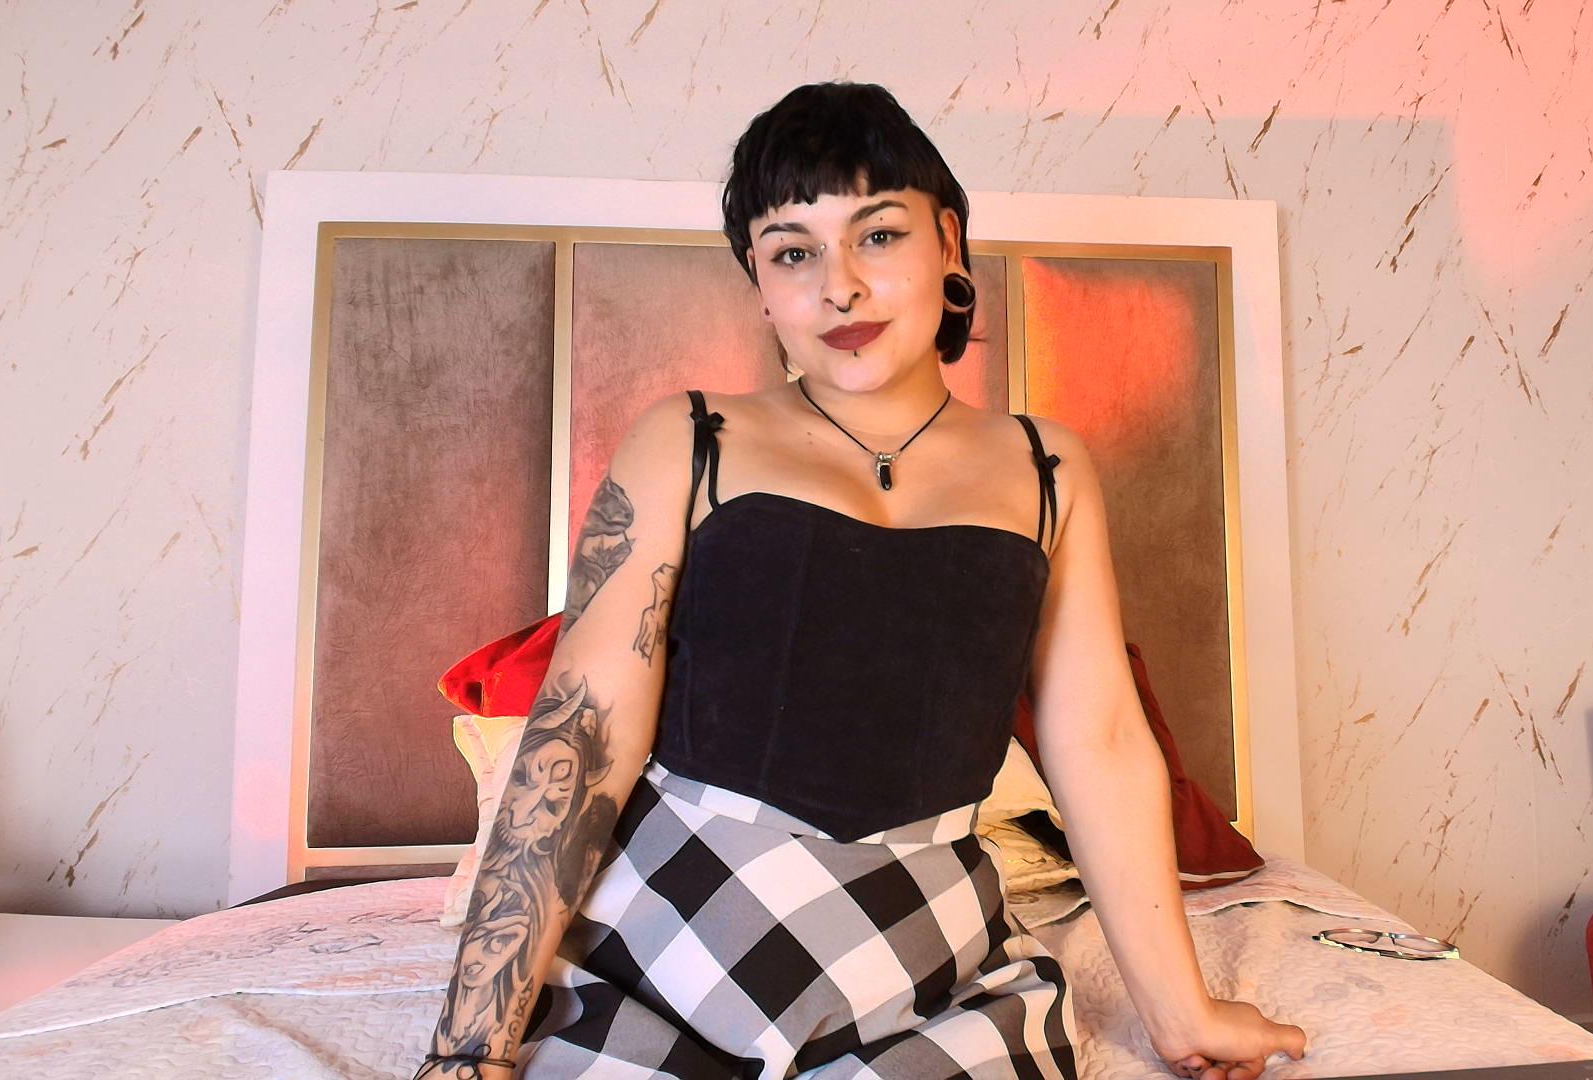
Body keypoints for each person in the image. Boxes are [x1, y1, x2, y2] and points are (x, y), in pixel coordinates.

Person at [416, 80, 1308, 1080]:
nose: (838, 287)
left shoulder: (1047, 467)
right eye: (793, 252)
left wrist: (1182, 1016)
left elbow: (1098, 740)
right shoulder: (690, 440)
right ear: (760, 286)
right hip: (666, 950)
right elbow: (581, 734)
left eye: (878, 236)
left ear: (949, 244)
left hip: (928, 964)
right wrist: (468, 1050)